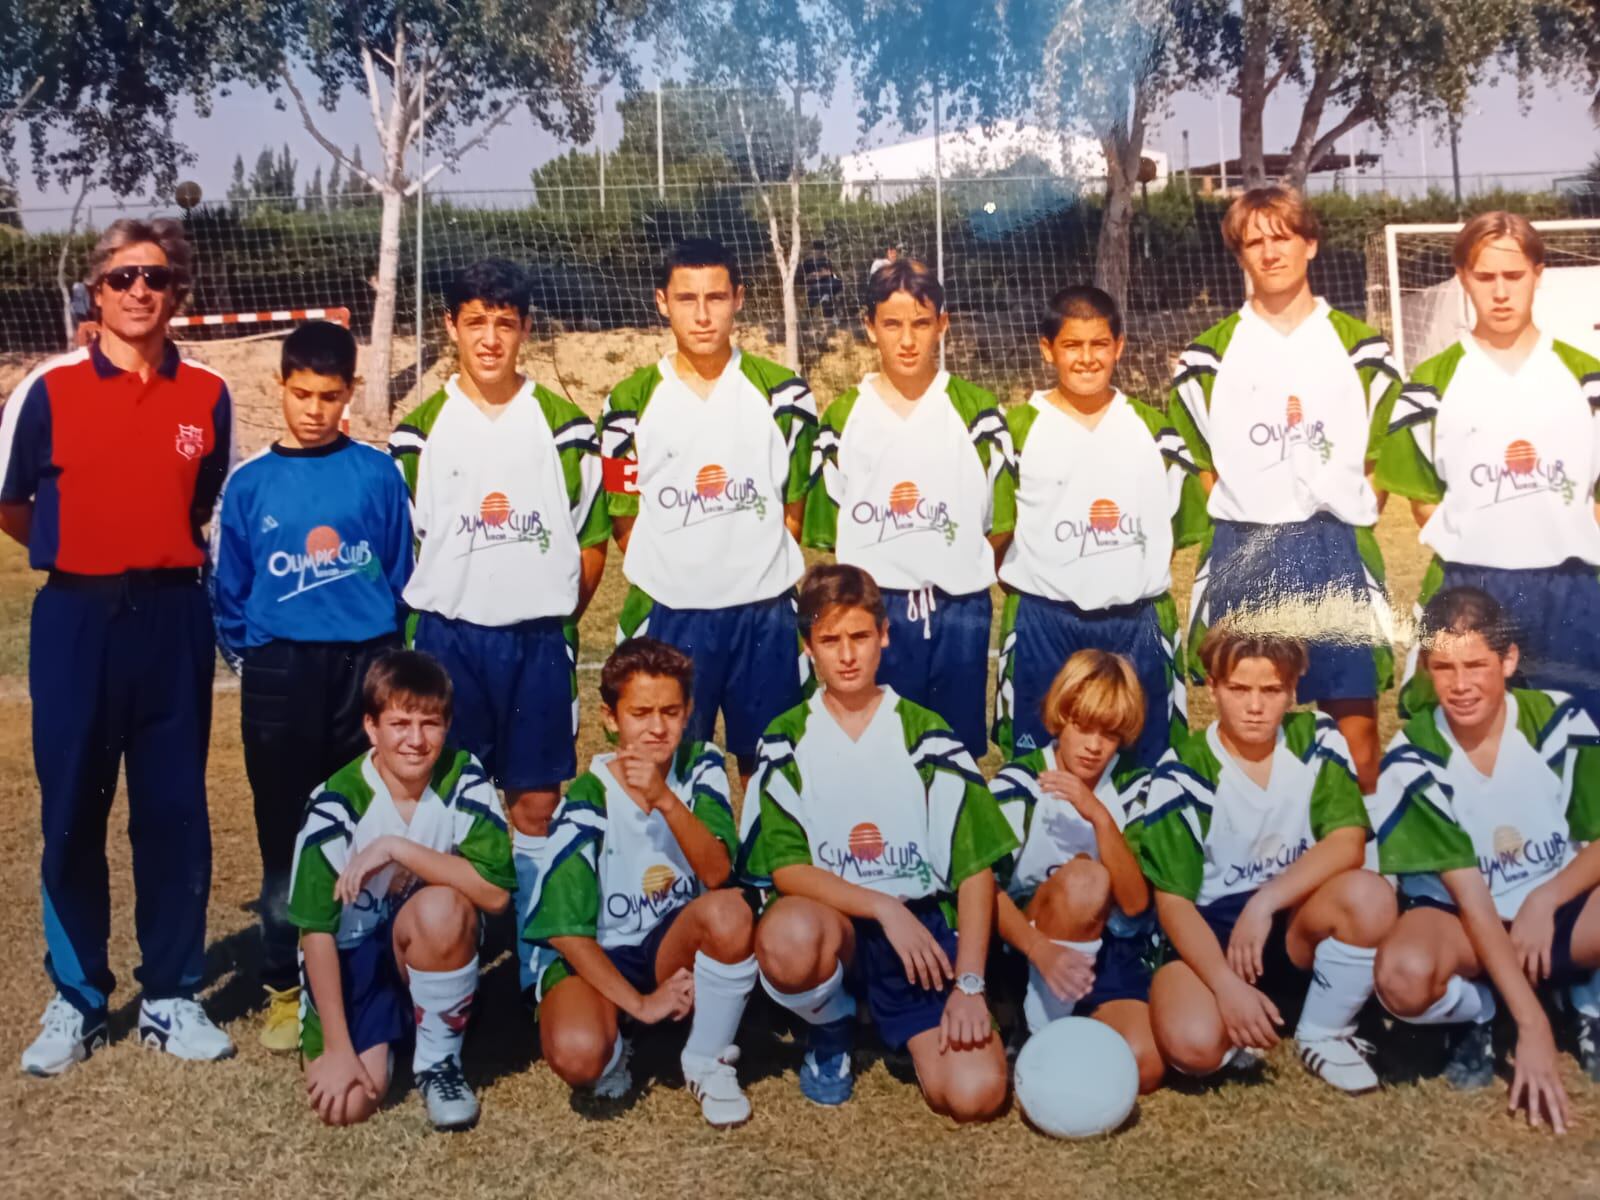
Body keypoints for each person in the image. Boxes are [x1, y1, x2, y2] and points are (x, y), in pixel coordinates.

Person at [5, 218, 236, 1076]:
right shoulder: (47, 388)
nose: (140, 291)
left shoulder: (208, 394)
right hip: (78, 618)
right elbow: (13, 503)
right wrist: (81, 553)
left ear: (177, 293)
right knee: (72, 807)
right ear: (95, 292)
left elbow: (201, 498)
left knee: (173, 811)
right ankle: (77, 997)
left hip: (173, 617)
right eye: (123, 277)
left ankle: (171, 994)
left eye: (156, 277)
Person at [388, 258, 608, 997]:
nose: (489, 339)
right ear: (450, 327)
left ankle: (539, 961)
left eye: (504, 324)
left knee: (535, 803)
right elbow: (407, 549)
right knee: (449, 800)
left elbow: (591, 542)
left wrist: (550, 615)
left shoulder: (565, 428)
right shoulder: (416, 435)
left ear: (525, 330)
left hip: (535, 640)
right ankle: (455, 959)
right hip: (449, 642)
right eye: (475, 322)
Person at [740, 563, 1016, 1121]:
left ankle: (904, 1021)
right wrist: (884, 908)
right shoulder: (785, 739)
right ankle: (831, 1022)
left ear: (885, 635)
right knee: (790, 933)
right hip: (835, 929)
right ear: (808, 647)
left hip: (920, 938)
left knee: (975, 1095)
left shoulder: (926, 733)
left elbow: (974, 866)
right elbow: (787, 869)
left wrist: (968, 984)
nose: (847, 655)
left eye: (860, 636)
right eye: (830, 640)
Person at [210, 319, 412, 1051]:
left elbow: (399, 573)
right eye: (302, 394)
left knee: (370, 825)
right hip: (281, 673)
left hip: (363, 667)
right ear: (280, 387)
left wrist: (381, 661)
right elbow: (230, 591)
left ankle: (370, 978)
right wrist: (260, 661)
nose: (315, 409)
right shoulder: (250, 483)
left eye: (330, 396)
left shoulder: (377, 474)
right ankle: (283, 984)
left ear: (350, 392)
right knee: (286, 834)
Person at [1167, 186, 1403, 793]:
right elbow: (1204, 467)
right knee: (1250, 731)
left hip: (1334, 548)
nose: (1270, 253)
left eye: (1282, 237)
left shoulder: (1362, 348)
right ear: (1240, 255)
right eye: (1254, 242)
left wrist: (1341, 513)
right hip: (1249, 548)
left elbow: (1378, 463)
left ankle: (1355, 850)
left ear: (1310, 244)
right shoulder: (1205, 359)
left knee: (1356, 738)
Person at [1371, 587, 1600, 1135]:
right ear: (1426, 669)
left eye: (1476, 664)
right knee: (1402, 977)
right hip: (1467, 926)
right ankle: (1482, 1009)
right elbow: (1472, 897)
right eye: (1444, 667)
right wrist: (1531, 1027)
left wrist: (1546, 899)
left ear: (1509, 660)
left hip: (1555, 916)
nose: (1461, 684)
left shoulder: (1559, 721)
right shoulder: (1412, 756)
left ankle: (1585, 998)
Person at [1139, 624, 1395, 1094]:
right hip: (1212, 932)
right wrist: (1224, 984)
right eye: (1239, 689)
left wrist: (1264, 903)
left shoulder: (1316, 738)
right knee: (1193, 1046)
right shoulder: (1182, 771)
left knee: (1369, 895)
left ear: (1293, 689)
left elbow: (1348, 841)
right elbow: (1173, 902)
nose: (1255, 707)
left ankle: (1323, 1031)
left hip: (1291, 918)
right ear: (1212, 688)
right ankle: (1241, 1015)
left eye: (1271, 690)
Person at [600, 237, 817, 779]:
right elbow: (624, 517)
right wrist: (683, 574)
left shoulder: (784, 396)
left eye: (716, 297)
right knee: (665, 769)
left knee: (769, 771)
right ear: (661, 302)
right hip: (672, 615)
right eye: (686, 298)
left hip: (763, 613)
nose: (702, 315)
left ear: (738, 298)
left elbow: (793, 508)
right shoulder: (628, 403)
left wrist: (750, 571)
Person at [1375, 211, 1600, 723]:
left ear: (1538, 275)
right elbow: (1422, 496)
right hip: (1471, 584)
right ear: (1462, 277)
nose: (1500, 292)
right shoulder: (1430, 384)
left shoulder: (1586, 378)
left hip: (1569, 588)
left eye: (1514, 275)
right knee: (1471, 740)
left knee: (1582, 737)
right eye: (1485, 276)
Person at [526, 638, 757, 1128]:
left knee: (729, 911)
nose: (657, 727)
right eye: (640, 713)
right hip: (600, 953)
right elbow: (565, 932)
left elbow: (717, 873)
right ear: (611, 719)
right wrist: (641, 1004)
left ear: (688, 711)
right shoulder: (588, 796)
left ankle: (707, 1058)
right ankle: (620, 1033)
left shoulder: (700, 764)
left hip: (668, 945)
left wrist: (665, 799)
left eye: (670, 712)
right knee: (578, 1055)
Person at [288, 650, 514, 1132]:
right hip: (350, 958)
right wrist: (338, 1048)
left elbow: (496, 895)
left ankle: (438, 1062)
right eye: (399, 724)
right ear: (371, 727)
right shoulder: (334, 806)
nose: (415, 740)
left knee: (443, 907)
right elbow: (316, 934)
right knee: (347, 1104)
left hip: (421, 941)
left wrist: (398, 849)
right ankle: (392, 1032)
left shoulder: (463, 776)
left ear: (447, 725)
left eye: (430, 723)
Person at [992, 285, 1207, 767]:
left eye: (1099, 344)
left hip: (1136, 622)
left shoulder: (1156, 432)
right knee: (1039, 770)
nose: (1087, 358)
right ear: (1047, 348)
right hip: (1045, 621)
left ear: (1119, 346)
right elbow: (998, 530)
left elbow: (1171, 533)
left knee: (1145, 767)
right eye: (1072, 345)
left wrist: (1121, 574)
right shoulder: (1016, 431)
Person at [804, 259, 1010, 757]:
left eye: (921, 323)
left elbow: (998, 522)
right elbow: (832, 523)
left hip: (958, 610)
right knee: (876, 747)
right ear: (869, 326)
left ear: (943, 323)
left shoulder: (977, 412)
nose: (908, 340)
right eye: (892, 324)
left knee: (952, 752)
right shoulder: (844, 417)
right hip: (876, 610)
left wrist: (950, 564)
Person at [989, 649, 1164, 1094]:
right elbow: (984, 890)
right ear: (1059, 718)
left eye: (1109, 733)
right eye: (1083, 727)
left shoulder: (1135, 786)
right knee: (1086, 878)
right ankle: (1036, 1031)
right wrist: (1039, 950)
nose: (1093, 746)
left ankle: (1071, 1028)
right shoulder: (1019, 783)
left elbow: (1136, 904)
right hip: (1029, 948)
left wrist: (1099, 816)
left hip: (1108, 950)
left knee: (1144, 1065)